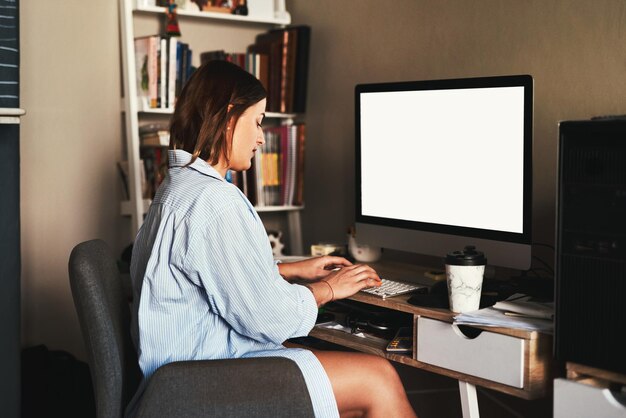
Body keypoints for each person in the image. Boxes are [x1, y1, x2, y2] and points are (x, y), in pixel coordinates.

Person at [128, 59, 417, 418]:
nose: (262, 137)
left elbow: (204, 275)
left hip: (176, 381)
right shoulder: (214, 201)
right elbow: (271, 318)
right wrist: (329, 288)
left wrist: (285, 271)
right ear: (229, 116)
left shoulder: (177, 188)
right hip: (200, 383)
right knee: (379, 379)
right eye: (259, 121)